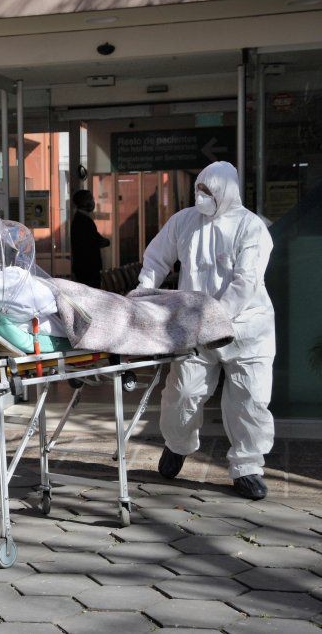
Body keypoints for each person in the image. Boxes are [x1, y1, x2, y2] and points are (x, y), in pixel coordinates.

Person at [136, 161, 275, 500]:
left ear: (226, 192)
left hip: (246, 328)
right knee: (182, 392)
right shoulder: (183, 221)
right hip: (195, 326)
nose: (201, 197)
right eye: (199, 189)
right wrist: (144, 290)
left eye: (208, 192)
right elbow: (156, 257)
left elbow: (245, 282)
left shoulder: (251, 227)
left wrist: (217, 317)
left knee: (250, 398)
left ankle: (247, 467)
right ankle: (178, 445)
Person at [70, 189, 110, 288]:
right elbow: (93, 241)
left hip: (85, 269)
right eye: (91, 199)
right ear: (84, 202)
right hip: (88, 269)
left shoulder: (81, 219)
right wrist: (104, 242)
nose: (93, 202)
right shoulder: (83, 221)